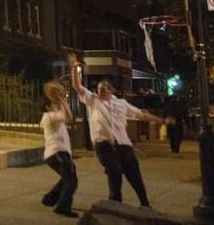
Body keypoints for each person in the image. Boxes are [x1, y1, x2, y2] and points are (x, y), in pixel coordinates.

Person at [67, 52, 163, 207]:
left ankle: (145, 203)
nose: (100, 92)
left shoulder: (121, 103)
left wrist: (162, 120)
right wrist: (74, 68)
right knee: (115, 171)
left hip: (123, 143)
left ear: (111, 91)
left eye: (103, 89)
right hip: (104, 144)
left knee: (134, 175)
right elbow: (77, 87)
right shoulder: (94, 101)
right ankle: (115, 202)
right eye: (98, 89)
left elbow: (140, 114)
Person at [40, 81, 78, 218]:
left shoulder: (54, 118)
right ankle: (62, 207)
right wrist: (61, 98)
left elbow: (66, 115)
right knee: (71, 180)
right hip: (57, 153)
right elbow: (69, 116)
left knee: (69, 177)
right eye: (54, 104)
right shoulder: (50, 117)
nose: (57, 106)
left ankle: (49, 198)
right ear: (48, 106)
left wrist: (61, 98)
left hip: (59, 153)